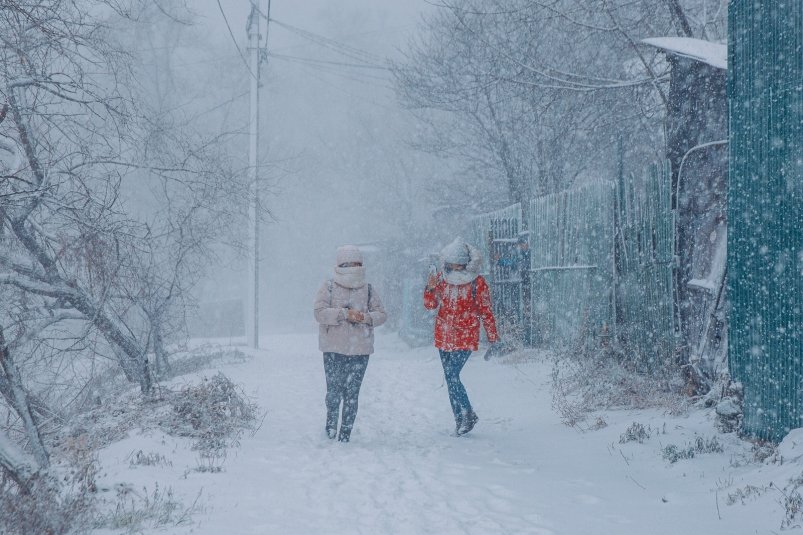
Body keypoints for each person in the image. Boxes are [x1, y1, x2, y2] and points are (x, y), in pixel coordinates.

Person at [424, 239, 499, 435]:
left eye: (456, 263)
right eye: (450, 263)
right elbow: (430, 305)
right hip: (443, 335)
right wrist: (430, 288)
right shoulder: (441, 278)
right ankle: (459, 421)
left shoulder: (477, 282)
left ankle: (468, 412)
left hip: (466, 336)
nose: (452, 267)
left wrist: (493, 337)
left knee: (452, 375)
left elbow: (486, 311)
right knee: (450, 379)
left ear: (465, 264)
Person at [314, 245, 387, 443]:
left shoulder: (368, 288)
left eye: (356, 264)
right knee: (333, 392)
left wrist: (364, 317)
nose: (353, 268)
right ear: (340, 265)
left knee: (352, 394)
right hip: (333, 349)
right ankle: (330, 428)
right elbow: (319, 313)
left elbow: (381, 315)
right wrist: (343, 314)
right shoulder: (328, 286)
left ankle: (345, 434)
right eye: (349, 264)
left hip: (360, 350)